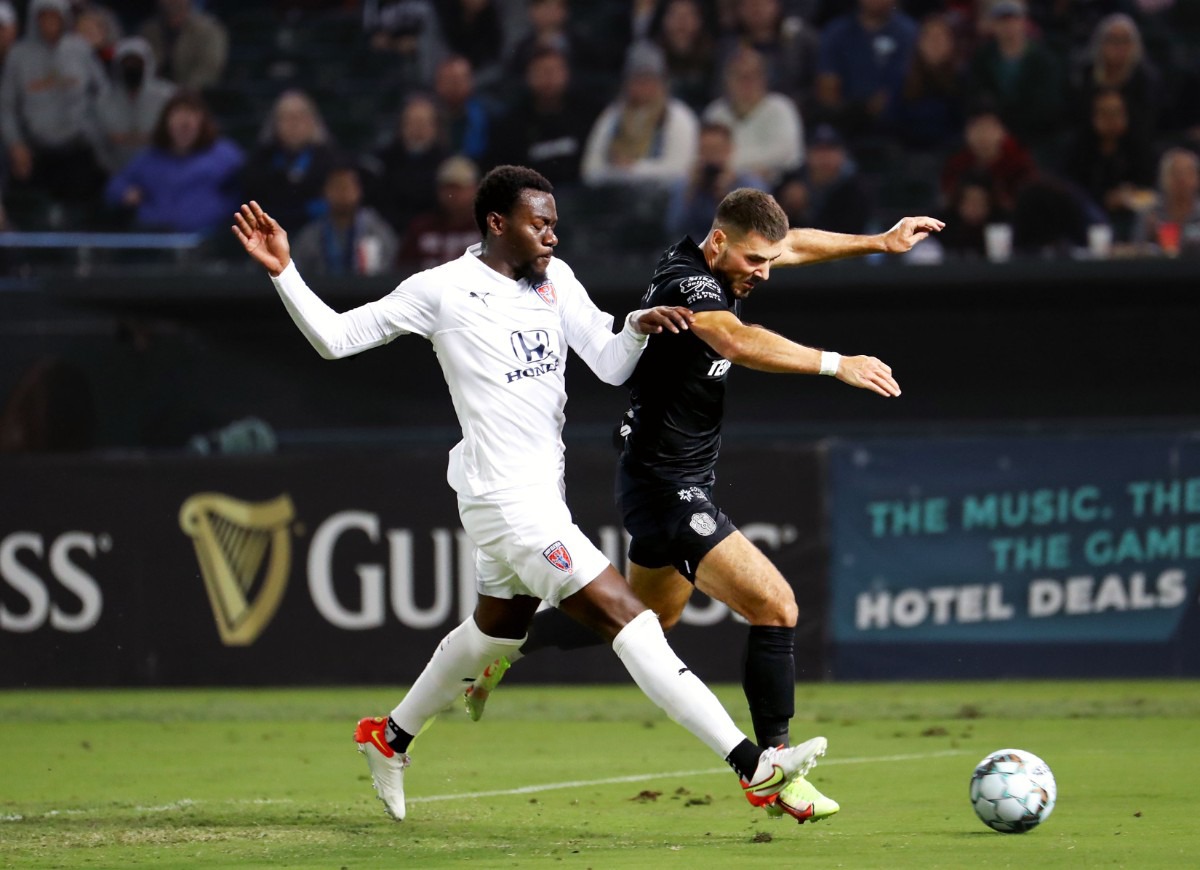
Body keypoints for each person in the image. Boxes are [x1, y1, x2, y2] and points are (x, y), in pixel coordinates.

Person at [231, 165, 834, 824]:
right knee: (633, 622)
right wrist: (284, 271)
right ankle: (753, 766)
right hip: (506, 501)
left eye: (554, 222)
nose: (551, 234)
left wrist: (636, 324)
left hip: (536, 496)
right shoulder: (442, 289)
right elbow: (334, 338)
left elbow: (609, 363)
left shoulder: (556, 281)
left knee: (497, 632)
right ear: (497, 223)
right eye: (538, 223)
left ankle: (389, 736)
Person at [463, 187, 942, 821]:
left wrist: (879, 241)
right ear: (718, 243)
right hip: (665, 484)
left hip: (664, 477)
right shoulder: (687, 284)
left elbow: (790, 243)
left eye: (768, 262)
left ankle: (506, 648)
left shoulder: (732, 256)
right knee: (776, 606)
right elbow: (736, 342)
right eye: (753, 261)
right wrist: (835, 363)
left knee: (646, 621)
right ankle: (775, 769)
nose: (764, 272)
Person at [0, 0, 108, 210]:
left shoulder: (80, 49)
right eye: (44, 17)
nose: (49, 23)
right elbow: (6, 107)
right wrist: (15, 144)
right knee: (32, 212)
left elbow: (102, 92)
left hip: (78, 147)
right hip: (35, 150)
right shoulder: (18, 56)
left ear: (64, 18)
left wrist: (95, 129)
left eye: (54, 16)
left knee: (80, 211)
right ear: (34, 19)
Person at [104, 89, 243, 233]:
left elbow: (246, 189)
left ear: (202, 123)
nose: (184, 121)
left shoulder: (224, 155)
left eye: (191, 114)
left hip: (209, 240)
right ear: (167, 123)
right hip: (157, 239)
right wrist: (124, 192)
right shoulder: (150, 158)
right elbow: (116, 185)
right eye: (177, 114)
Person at [580, 40, 699, 187]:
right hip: (614, 194)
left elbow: (679, 170)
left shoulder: (678, 116)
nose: (643, 86)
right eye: (637, 79)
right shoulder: (612, 116)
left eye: (649, 79)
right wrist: (617, 171)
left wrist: (634, 169)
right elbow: (590, 170)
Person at [702, 45, 804, 186]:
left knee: (751, 182)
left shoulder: (781, 107)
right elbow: (708, 154)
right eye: (740, 76)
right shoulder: (715, 112)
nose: (747, 83)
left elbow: (785, 152)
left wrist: (736, 168)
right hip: (720, 180)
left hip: (775, 182)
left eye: (753, 76)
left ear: (764, 79)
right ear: (727, 80)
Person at [243, 89, 338, 234]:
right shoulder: (260, 161)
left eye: (300, 117)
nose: (294, 124)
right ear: (275, 124)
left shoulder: (332, 160)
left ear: (313, 121)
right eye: (286, 118)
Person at [290, 158, 398, 275]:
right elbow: (297, 273)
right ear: (324, 192)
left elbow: (391, 269)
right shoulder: (310, 236)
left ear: (359, 191)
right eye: (336, 187)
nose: (342, 193)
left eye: (347, 187)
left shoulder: (378, 231)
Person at [364, 92, 448, 237]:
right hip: (391, 233)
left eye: (423, 123)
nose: (418, 129)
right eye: (413, 122)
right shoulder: (383, 162)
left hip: (434, 234)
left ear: (435, 127)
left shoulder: (446, 163)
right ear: (402, 126)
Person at [94, 35, 176, 175]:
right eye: (126, 62)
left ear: (147, 64)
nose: (131, 67)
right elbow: (99, 140)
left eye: (137, 62)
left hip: (161, 172)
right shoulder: (104, 98)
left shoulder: (168, 96)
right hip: (114, 172)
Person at [397, 155, 479, 271]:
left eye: (458, 188)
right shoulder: (421, 229)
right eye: (447, 188)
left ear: (474, 189)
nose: (452, 194)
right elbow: (401, 271)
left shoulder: (487, 231)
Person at [137, 0, 228, 91]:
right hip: (149, 95)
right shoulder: (147, 31)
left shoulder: (210, 31)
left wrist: (181, 94)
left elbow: (208, 71)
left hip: (192, 97)